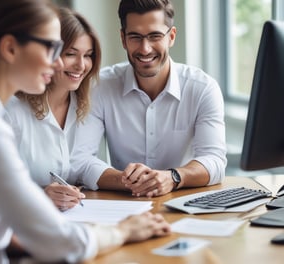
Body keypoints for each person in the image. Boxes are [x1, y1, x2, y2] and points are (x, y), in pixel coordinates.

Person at [0, 0, 171, 263]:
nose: (57, 63)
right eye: (52, 48)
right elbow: (61, 243)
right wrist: (123, 230)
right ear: (10, 48)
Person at [70, 0, 227, 198]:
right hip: (126, 203)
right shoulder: (100, 87)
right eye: (135, 37)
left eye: (155, 36)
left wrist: (173, 177)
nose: (145, 49)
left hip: (183, 203)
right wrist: (130, 182)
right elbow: (80, 160)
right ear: (123, 39)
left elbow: (214, 161)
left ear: (171, 36)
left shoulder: (203, 88)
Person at [4, 7, 101, 211]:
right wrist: (41, 193)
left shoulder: (84, 104)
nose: (81, 65)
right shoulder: (12, 109)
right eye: (71, 54)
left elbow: (82, 163)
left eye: (88, 55)